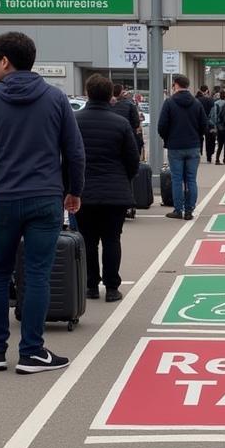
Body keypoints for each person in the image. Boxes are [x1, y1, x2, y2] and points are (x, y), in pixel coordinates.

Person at [0, 31, 85, 374]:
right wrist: (74, 190)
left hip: (3, 198)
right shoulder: (55, 98)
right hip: (46, 197)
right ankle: (32, 351)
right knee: (37, 275)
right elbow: (75, 151)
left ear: (5, 61)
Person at [73, 74, 139, 302]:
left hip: (84, 192)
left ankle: (91, 285)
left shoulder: (75, 121)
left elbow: (67, 157)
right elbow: (133, 160)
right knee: (112, 239)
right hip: (115, 191)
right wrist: (123, 178)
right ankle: (112, 287)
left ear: (87, 92)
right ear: (111, 95)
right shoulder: (120, 123)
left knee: (87, 239)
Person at [158, 73, 208, 221]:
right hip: (193, 146)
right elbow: (204, 125)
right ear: (188, 86)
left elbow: (162, 126)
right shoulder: (196, 103)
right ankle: (189, 210)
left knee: (177, 179)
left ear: (176, 85)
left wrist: (167, 138)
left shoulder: (169, 103)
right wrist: (197, 137)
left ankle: (178, 210)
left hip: (175, 146)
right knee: (191, 179)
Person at [113, 82, 143, 158]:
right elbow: (136, 123)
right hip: (127, 136)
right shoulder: (129, 105)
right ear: (121, 92)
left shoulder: (107, 104)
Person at [196, 86, 217, 164]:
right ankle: (209, 157)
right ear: (207, 90)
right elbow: (214, 114)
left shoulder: (196, 100)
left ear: (199, 90)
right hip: (209, 123)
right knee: (210, 140)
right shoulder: (211, 100)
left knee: (199, 138)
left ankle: (198, 153)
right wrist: (214, 124)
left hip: (198, 123)